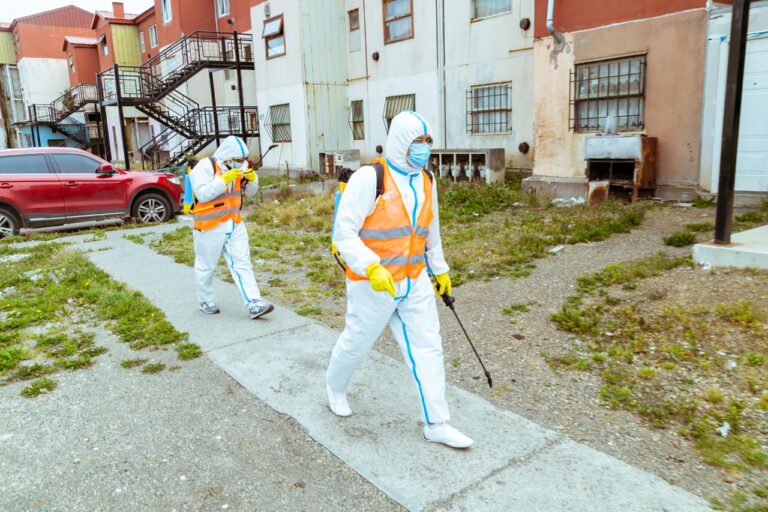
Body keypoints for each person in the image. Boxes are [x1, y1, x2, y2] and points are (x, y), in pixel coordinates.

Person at [326, 111, 473, 449]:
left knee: (429, 347)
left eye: (427, 142)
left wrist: (440, 269)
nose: (424, 149)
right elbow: (343, 233)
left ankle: (437, 423)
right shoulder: (370, 178)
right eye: (417, 142)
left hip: (413, 281)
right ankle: (335, 387)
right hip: (372, 284)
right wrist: (370, 267)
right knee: (357, 342)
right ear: (399, 144)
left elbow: (429, 231)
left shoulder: (427, 180)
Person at [188, 135, 274, 319]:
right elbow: (202, 194)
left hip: (234, 222)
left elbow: (250, 193)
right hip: (209, 225)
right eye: (237, 160)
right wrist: (224, 180)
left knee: (242, 263)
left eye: (243, 160)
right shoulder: (204, 167)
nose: (241, 163)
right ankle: (205, 300)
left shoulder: (239, 167)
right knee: (206, 267)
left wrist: (253, 179)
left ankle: (254, 303)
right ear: (227, 157)